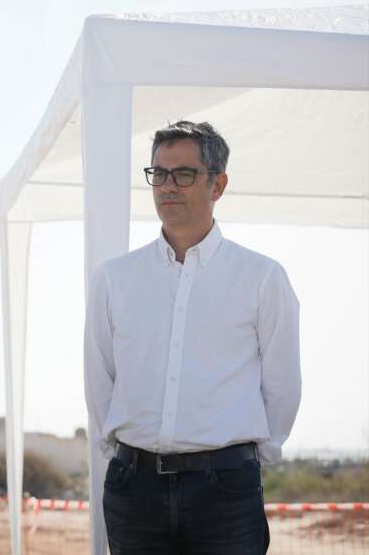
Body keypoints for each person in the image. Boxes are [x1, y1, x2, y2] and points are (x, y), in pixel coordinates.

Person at [84, 120, 301, 554]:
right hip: (134, 489)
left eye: (183, 174)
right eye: (158, 173)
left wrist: (250, 458)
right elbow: (100, 378)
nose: (168, 186)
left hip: (225, 492)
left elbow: (282, 385)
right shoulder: (115, 278)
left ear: (217, 184)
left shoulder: (261, 278)